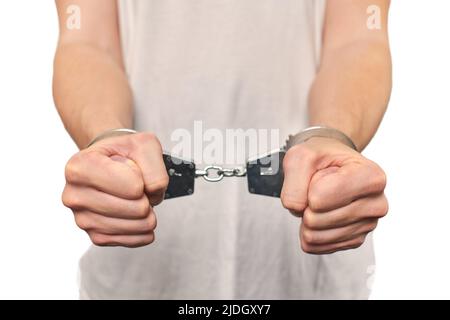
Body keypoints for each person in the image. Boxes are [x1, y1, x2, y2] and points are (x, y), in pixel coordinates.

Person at [53, 0, 391, 299]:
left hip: (313, 262)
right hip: (134, 267)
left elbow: (358, 38)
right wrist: (108, 138)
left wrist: (331, 137)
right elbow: (86, 40)